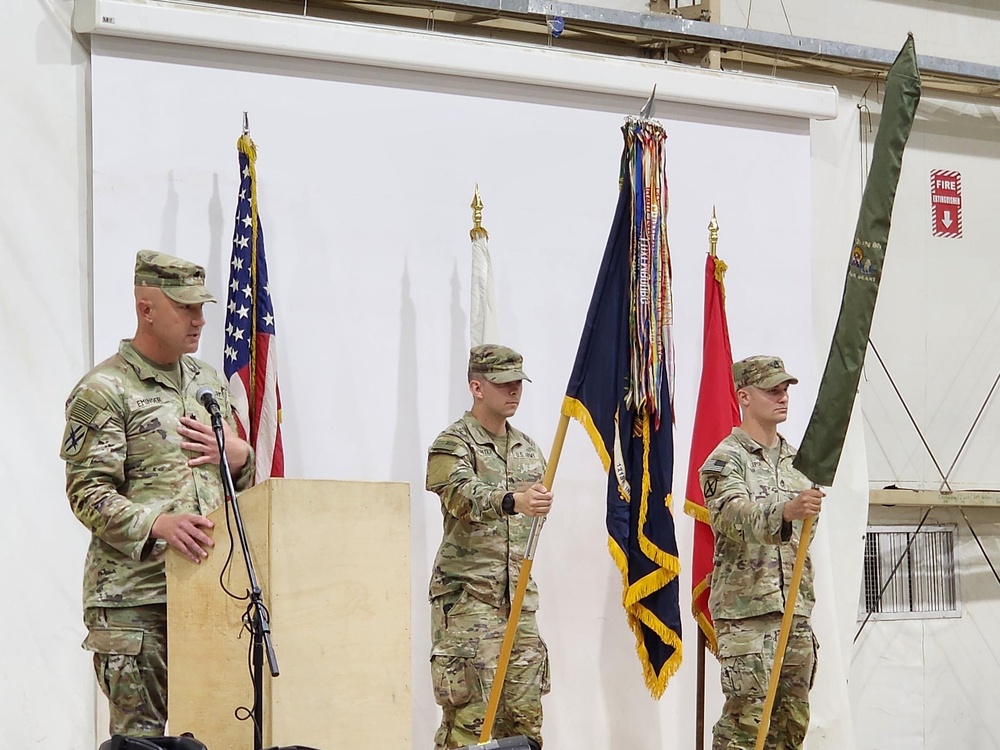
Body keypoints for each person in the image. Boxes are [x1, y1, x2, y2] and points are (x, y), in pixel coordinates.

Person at [60, 250, 255, 737]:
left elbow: (238, 485)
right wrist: (157, 524)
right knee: (141, 742)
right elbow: (87, 491)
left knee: (215, 734)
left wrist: (240, 457)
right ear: (146, 308)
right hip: (136, 600)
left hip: (210, 591)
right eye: (185, 308)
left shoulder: (208, 383)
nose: (200, 320)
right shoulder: (105, 390)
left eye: (201, 308)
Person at [425, 344, 554, 750]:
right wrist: (511, 500)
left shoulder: (528, 448)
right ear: (477, 387)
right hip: (469, 604)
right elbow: (461, 494)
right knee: (469, 724)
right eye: (503, 384)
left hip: (518, 601)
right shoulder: (452, 444)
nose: (513, 391)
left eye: (518, 383)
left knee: (524, 723)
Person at [699, 355, 825, 750]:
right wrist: (785, 510)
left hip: (794, 610)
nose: (782, 396)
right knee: (745, 726)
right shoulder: (724, 460)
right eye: (772, 389)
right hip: (747, 616)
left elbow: (806, 533)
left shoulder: (798, 463)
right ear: (744, 397)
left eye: (785, 389)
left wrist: (799, 512)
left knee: (791, 726)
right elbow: (732, 515)